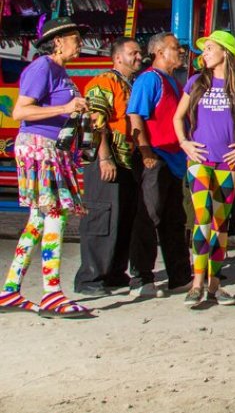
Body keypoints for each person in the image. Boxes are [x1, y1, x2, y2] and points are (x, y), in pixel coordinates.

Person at [0, 18, 92, 317]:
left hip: (51, 148)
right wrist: (65, 108)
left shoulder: (59, 71)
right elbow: (20, 111)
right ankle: (52, 292)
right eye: (75, 37)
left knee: (38, 219)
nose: (80, 43)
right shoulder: (43, 67)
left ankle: (11, 290)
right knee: (54, 212)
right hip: (41, 147)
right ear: (58, 41)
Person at [173, 31, 235, 306]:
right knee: (202, 221)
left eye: (210, 48)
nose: (204, 54)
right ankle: (196, 283)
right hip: (199, 161)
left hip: (229, 162)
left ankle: (215, 285)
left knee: (220, 224)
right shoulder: (195, 82)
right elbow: (178, 117)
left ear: (225, 53)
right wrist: (184, 144)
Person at [75, 37, 142, 296]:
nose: (138, 57)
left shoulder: (131, 85)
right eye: (132, 53)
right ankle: (90, 278)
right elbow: (95, 121)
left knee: (122, 218)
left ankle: (114, 273)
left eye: (139, 53)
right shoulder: (104, 82)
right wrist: (104, 157)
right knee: (101, 218)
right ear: (117, 57)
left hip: (126, 162)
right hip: (106, 160)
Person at [126, 32, 192, 297]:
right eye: (175, 48)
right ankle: (141, 278)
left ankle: (180, 277)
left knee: (174, 219)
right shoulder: (149, 79)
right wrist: (145, 152)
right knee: (147, 216)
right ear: (159, 52)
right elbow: (135, 116)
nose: (180, 52)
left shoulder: (174, 82)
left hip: (175, 161)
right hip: (157, 156)